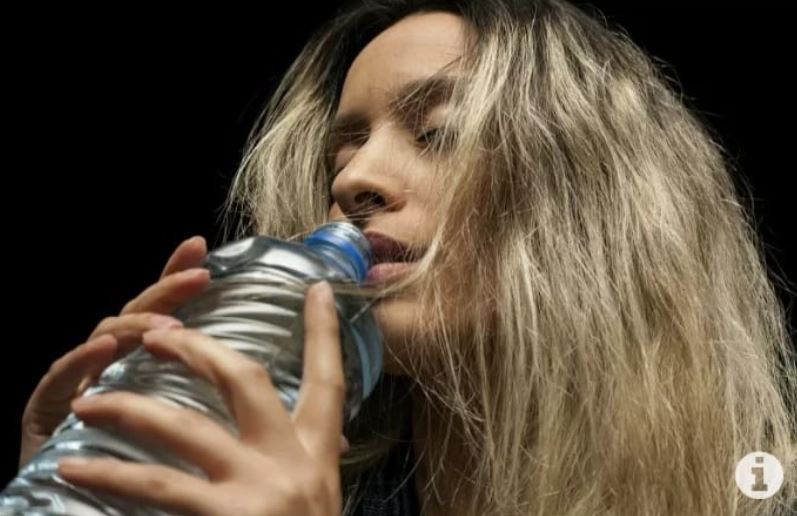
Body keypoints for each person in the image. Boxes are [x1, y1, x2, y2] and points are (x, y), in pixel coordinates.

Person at [16, 1, 797, 514]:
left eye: (436, 134)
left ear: (585, 191)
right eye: (343, 149)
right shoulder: (282, 486)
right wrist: (76, 480)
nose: (352, 178)